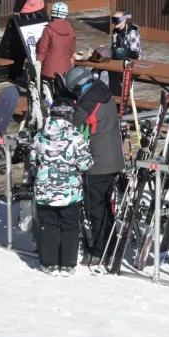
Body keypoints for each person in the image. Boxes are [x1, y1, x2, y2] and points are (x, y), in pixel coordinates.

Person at [61, 65, 123, 269]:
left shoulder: (87, 102)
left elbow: (71, 125)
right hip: (113, 159)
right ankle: (110, 246)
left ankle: (99, 251)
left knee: (94, 209)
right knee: (105, 207)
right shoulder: (104, 92)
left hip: (97, 164)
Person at [32, 92, 95, 275]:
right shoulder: (75, 136)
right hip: (70, 191)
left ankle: (49, 263)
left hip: (45, 189)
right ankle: (68, 264)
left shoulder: (40, 136)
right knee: (70, 225)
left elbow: (32, 158)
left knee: (48, 225)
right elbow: (86, 163)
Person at [35, 2, 77, 80]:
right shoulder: (71, 30)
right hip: (66, 70)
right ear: (66, 15)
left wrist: (38, 65)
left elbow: (42, 50)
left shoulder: (48, 29)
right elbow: (72, 49)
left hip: (49, 70)